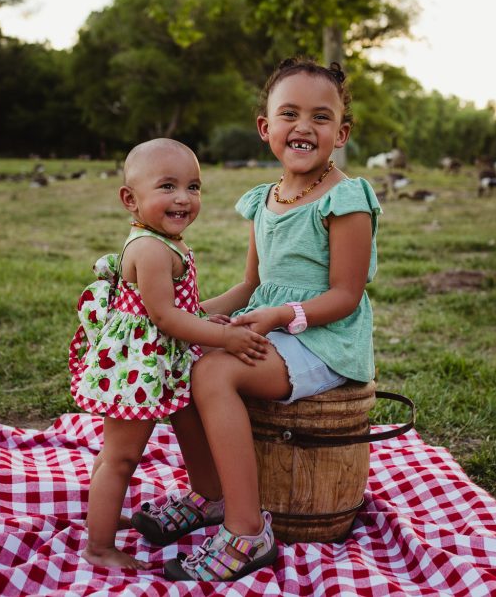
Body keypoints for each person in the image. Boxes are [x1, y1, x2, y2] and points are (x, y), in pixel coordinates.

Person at [153, 57, 382, 581]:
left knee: (213, 370)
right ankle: (209, 492)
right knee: (179, 353)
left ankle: (247, 531)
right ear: (267, 128)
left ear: (341, 133)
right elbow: (250, 286)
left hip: (327, 342)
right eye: (290, 113)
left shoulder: (347, 200)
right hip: (274, 326)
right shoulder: (265, 200)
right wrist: (184, 316)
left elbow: (346, 295)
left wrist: (280, 316)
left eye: (321, 117)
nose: (304, 127)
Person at [68, 138, 270, 569]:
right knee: (120, 457)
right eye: (167, 187)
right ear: (131, 199)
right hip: (136, 369)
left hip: (152, 361)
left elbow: (186, 313)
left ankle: (108, 516)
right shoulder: (150, 249)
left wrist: (243, 293)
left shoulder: (164, 241)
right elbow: (165, 317)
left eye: (193, 187)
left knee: (125, 451)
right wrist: (224, 339)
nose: (183, 197)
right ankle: (99, 548)